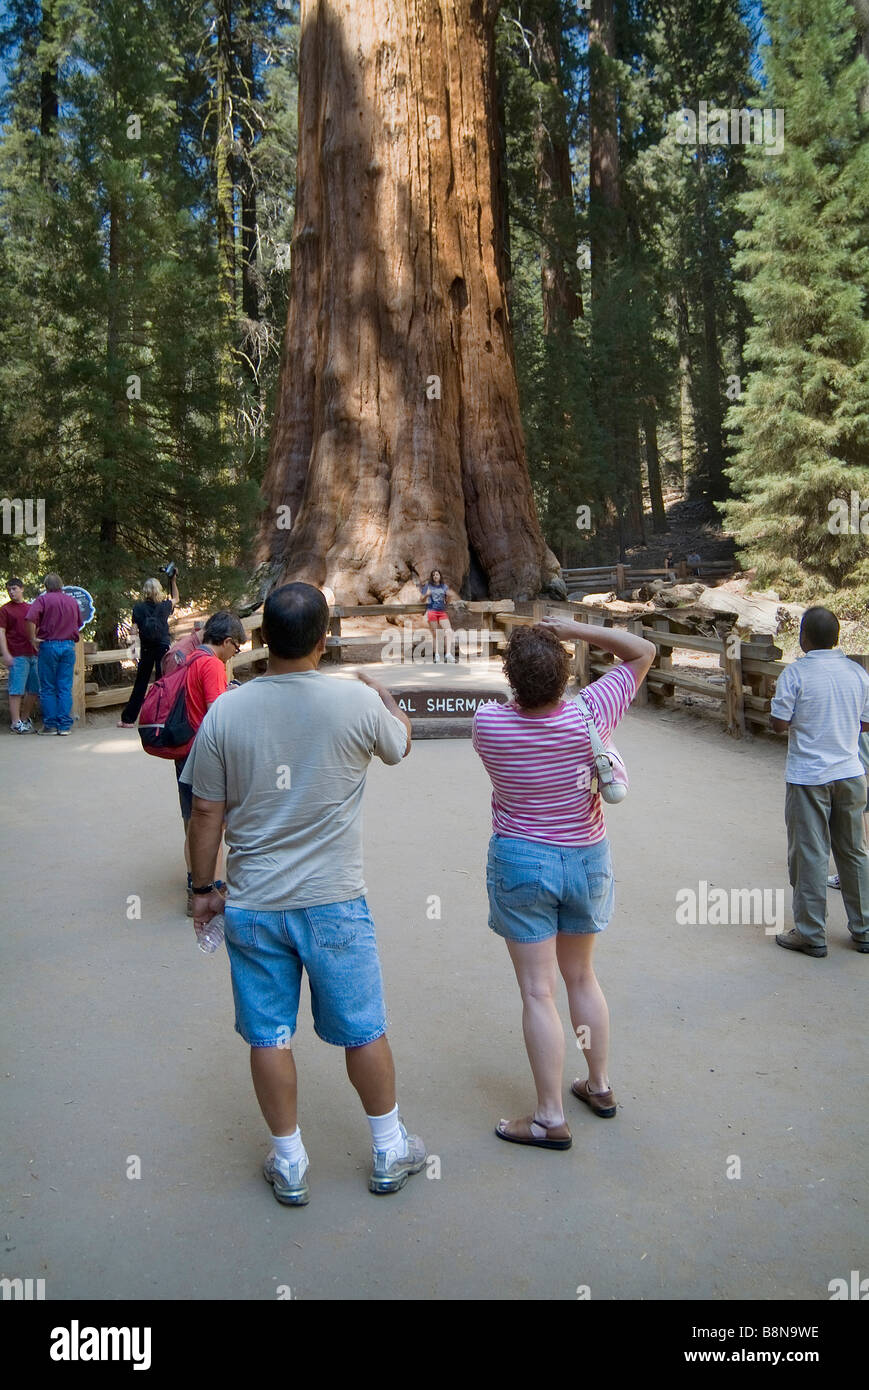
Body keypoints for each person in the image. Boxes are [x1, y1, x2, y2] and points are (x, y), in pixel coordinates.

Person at [180, 582, 425, 1205]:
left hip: (256, 905)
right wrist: (386, 698)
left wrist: (204, 889)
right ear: (325, 638)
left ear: (261, 639)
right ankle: (388, 1146)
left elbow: (206, 811)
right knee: (364, 1029)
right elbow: (399, 746)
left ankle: (289, 1160)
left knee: (270, 1035)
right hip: (335, 901)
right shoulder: (355, 705)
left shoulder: (227, 712)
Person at [472, 617, 655, 1149]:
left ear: (511, 677)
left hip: (521, 862)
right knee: (581, 978)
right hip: (585, 861)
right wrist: (575, 626)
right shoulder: (592, 713)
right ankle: (598, 1085)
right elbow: (641, 651)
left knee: (537, 991)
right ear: (567, 672)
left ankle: (550, 1117)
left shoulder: (489, 725)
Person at [770, 606, 869, 956]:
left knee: (810, 854)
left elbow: (779, 723)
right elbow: (866, 724)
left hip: (808, 776)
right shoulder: (857, 673)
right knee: (854, 852)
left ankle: (811, 933)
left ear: (803, 636)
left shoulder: (796, 674)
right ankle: (864, 928)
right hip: (851, 773)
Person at [172, 610, 246, 915]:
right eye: (236, 648)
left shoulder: (190, 658)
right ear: (227, 642)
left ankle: (194, 882)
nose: (233, 655)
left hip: (183, 748)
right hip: (204, 753)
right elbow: (218, 715)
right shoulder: (213, 665)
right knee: (213, 822)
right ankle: (209, 885)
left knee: (192, 820)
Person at [118, 574, 180, 727]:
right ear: (158, 590)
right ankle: (161, 717)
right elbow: (177, 598)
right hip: (163, 647)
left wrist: (133, 653)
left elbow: (133, 631)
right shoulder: (165, 606)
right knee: (162, 682)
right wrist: (173, 580)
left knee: (140, 683)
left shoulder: (138, 608)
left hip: (146, 648)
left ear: (145, 591)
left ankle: (128, 719)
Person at [25, 575, 83, 735]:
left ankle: (50, 725)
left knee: (48, 687)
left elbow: (30, 619)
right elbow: (78, 623)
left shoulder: (43, 600)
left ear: (46, 586)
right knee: (64, 686)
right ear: (61, 585)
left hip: (49, 645)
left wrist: (32, 638)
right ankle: (65, 726)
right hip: (68, 645)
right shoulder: (71, 601)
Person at [1, 578, 40, 733]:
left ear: (22, 589)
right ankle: (15, 722)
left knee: (34, 689)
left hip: (33, 654)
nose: (12, 592)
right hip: (17, 655)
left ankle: (24, 719)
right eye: (9, 589)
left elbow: (37, 629)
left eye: (14, 588)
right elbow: (1, 633)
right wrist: (6, 653)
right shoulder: (5, 610)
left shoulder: (31, 608)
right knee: (16, 690)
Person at [419, 568, 455, 662]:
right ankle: (437, 655)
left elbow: (447, 600)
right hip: (432, 611)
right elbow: (421, 599)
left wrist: (449, 598)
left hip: (442, 612)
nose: (435, 576)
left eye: (437, 574)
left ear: (440, 576)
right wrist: (427, 595)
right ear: (432, 577)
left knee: (449, 631)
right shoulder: (428, 586)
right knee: (435, 634)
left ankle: (448, 654)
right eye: (434, 575)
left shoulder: (444, 586)